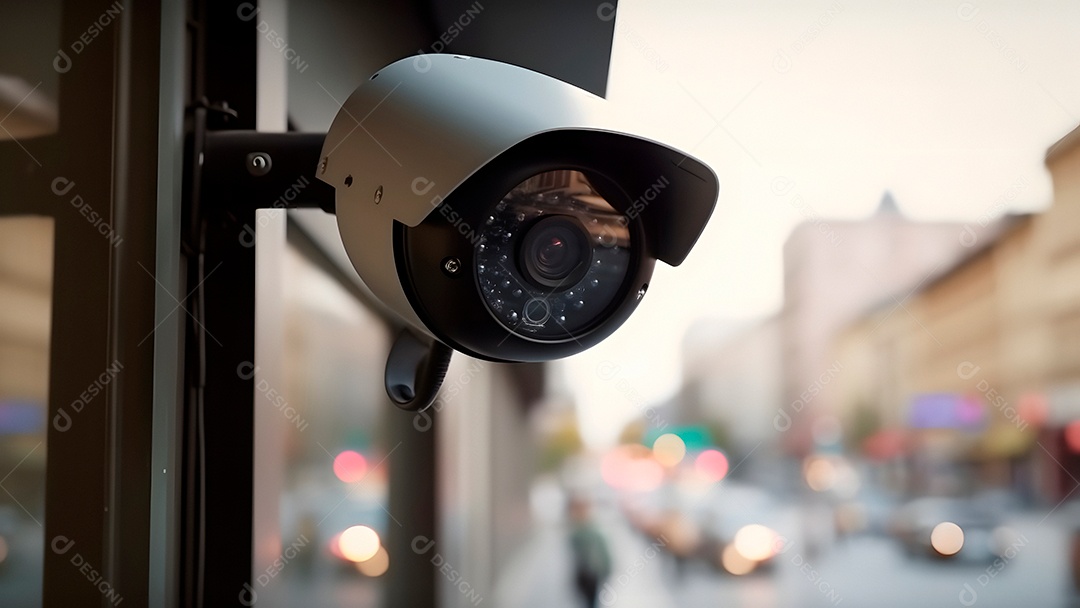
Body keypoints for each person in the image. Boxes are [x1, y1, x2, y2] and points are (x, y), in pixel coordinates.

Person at [568, 497, 612, 608]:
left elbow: (603, 554)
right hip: (584, 574)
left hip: (592, 574)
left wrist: (605, 569)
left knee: (591, 601)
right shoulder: (577, 532)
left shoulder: (592, 532)